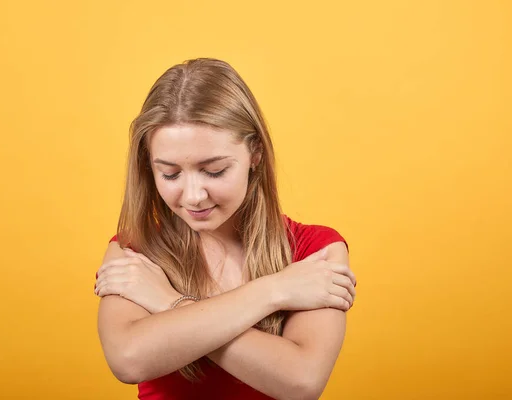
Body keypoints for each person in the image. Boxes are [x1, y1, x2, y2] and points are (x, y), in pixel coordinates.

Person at [94, 58, 357, 400]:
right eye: (170, 174)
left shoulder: (316, 250)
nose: (192, 196)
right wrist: (274, 290)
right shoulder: (134, 250)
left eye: (214, 171)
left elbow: (300, 382)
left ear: (255, 155)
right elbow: (128, 359)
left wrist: (167, 302)